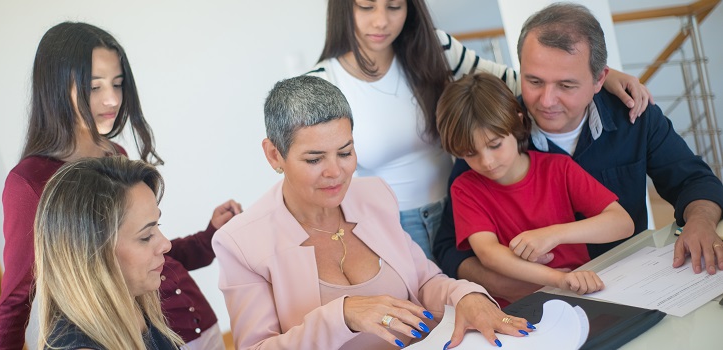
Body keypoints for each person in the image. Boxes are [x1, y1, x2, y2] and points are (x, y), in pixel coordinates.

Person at [307, 0, 652, 260]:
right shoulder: (322, 83)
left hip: (459, 207)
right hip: (389, 224)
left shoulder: (434, 47)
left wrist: (607, 79)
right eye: (366, 6)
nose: (381, 20)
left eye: (395, 6)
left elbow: (521, 85)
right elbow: (320, 170)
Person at [213, 75, 534, 350]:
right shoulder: (240, 243)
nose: (335, 172)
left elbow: (424, 281)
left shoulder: (375, 195)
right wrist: (343, 315)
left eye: (345, 152)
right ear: (274, 155)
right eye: (314, 159)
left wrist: (466, 295)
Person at [433, 3, 723, 304]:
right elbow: (448, 247)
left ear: (600, 80)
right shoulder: (492, 134)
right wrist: (510, 284)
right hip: (540, 301)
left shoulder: (635, 116)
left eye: (566, 85)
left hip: (634, 284)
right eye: (534, 81)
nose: (546, 101)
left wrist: (700, 221)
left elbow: (693, 181)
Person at [0, 22, 240, 350]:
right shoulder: (31, 182)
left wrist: (208, 238)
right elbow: (16, 300)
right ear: (55, 86)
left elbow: (139, 247)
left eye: (118, 84)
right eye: (95, 87)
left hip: (183, 326)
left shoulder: (114, 154)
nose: (112, 99)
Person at [436, 73, 633, 307]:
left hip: (582, 296)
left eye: (495, 145)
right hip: (518, 309)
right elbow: (488, 253)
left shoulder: (558, 169)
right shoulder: (465, 189)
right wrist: (559, 279)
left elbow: (623, 223)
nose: (486, 162)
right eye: (470, 153)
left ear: (518, 122)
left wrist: (553, 234)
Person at [35, 156, 182, 349]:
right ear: (93, 254)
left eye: (158, 225)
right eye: (146, 236)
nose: (166, 244)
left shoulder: (134, 309)